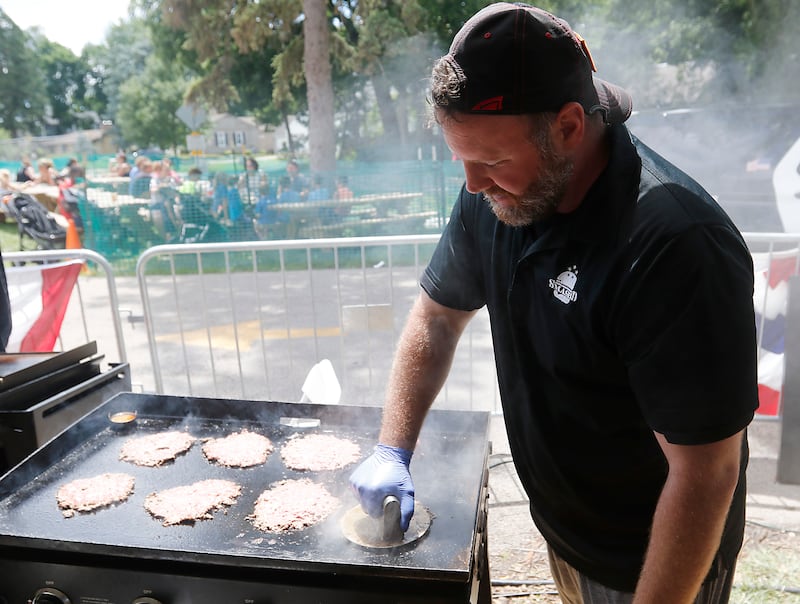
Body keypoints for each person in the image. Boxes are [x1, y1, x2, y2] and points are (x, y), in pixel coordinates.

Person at [349, 4, 758, 604]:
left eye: (490, 160)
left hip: (654, 562)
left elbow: (705, 471)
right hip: (565, 532)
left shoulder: (673, 245)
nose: (472, 184)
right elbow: (437, 320)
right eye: (461, 159)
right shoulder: (496, 196)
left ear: (569, 125)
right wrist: (392, 447)